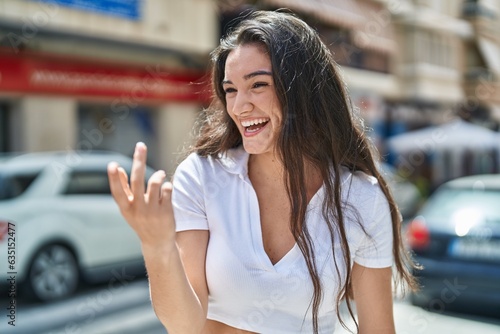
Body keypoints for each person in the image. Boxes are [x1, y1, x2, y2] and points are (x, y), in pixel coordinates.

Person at [107, 10, 418, 334]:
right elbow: (186, 326)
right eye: (230, 90)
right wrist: (157, 246)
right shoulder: (202, 176)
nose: (240, 106)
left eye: (258, 85)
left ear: (304, 91)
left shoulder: (362, 199)